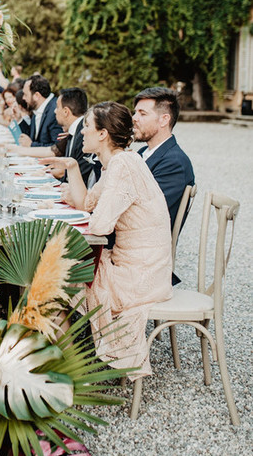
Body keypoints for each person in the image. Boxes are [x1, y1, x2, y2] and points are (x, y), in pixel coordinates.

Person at [58, 101, 172, 379]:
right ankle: (69, 358)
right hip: (140, 264)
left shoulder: (122, 165)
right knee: (63, 273)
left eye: (86, 126)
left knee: (58, 279)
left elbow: (99, 226)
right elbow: (87, 202)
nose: (81, 132)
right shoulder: (121, 161)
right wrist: (72, 167)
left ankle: (69, 366)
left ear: (102, 135)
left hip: (140, 273)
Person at [132, 87, 195, 229]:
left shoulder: (175, 163)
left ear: (164, 120)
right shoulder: (143, 152)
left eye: (142, 114)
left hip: (146, 245)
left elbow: (147, 215)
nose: (134, 118)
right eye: (135, 112)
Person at [38, 88, 99, 185]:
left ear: (66, 111)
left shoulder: (82, 134)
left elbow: (81, 176)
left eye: (57, 107)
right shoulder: (73, 131)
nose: (54, 111)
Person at [18, 75, 63, 148]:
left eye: (26, 94)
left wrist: (32, 145)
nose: (23, 98)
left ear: (36, 95)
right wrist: (18, 119)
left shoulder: (55, 112)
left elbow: (58, 148)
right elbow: (31, 137)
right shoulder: (38, 108)